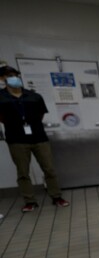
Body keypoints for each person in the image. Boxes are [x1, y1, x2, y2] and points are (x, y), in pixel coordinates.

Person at [0, 66, 70, 212]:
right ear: (2, 79)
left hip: (39, 137)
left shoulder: (34, 96)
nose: (13, 77)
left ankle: (56, 196)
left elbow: (40, 115)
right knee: (23, 172)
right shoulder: (1, 97)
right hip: (16, 139)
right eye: (9, 75)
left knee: (49, 169)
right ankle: (30, 201)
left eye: (15, 75)